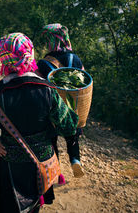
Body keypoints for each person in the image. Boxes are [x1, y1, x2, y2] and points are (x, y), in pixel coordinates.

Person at [0, 33, 78, 213]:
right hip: (42, 164)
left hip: (11, 167)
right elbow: (69, 127)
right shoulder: (48, 91)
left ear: (3, 59)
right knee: (35, 206)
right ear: (30, 54)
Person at [36, 23, 85, 178]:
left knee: (52, 139)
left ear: (51, 41)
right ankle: (75, 160)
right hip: (72, 106)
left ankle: (57, 173)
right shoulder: (75, 59)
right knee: (72, 136)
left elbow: (39, 85)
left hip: (52, 108)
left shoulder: (44, 63)